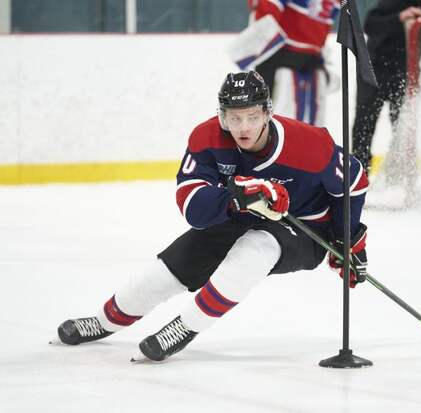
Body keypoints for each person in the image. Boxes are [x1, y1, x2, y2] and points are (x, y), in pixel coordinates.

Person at [54, 70, 369, 362]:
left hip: (306, 227)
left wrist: (347, 238)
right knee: (170, 268)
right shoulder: (207, 139)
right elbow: (192, 206)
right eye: (234, 118)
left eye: (252, 117)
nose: (243, 127)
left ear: (267, 113)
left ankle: (186, 326)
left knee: (257, 248)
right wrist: (237, 198)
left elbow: (354, 181)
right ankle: (104, 320)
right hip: (242, 214)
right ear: (222, 116)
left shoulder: (308, 144)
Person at [352, 0, 421, 175]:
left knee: (403, 128)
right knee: (364, 126)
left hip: (405, 73)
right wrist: (400, 17)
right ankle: (359, 175)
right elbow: (370, 24)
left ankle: (399, 176)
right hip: (374, 68)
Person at [241, 0, 341, 126]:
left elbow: (324, 22)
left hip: (311, 63)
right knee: (283, 124)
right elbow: (266, 15)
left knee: (311, 127)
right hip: (284, 63)